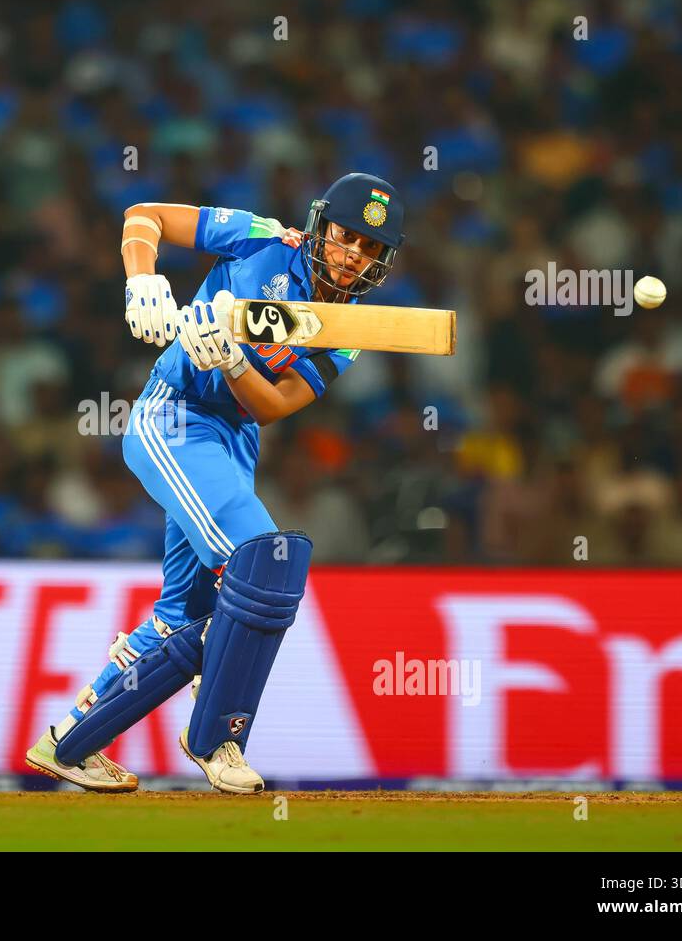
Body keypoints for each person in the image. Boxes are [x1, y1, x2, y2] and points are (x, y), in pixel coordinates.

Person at [25, 174, 405, 793]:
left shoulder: (350, 325)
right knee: (265, 564)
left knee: (186, 616)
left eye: (370, 249)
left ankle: (70, 744)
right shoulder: (261, 240)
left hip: (234, 440)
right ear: (319, 226)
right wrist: (142, 279)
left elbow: (275, 404)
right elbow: (144, 217)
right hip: (173, 415)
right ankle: (218, 739)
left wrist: (229, 359)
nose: (353, 256)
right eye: (346, 237)